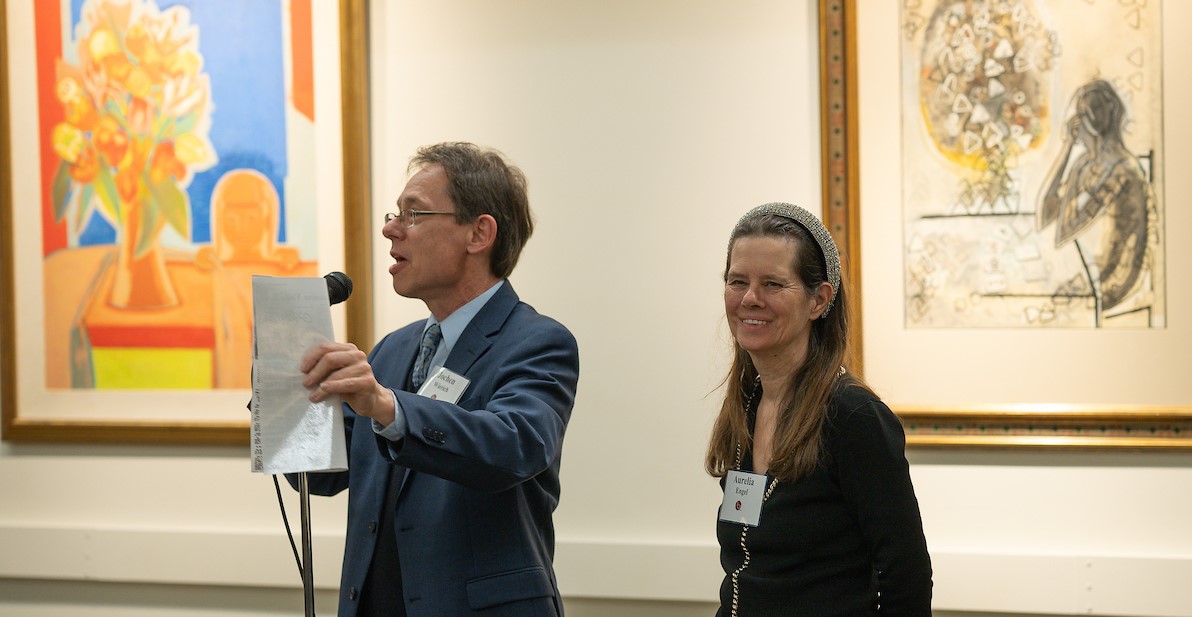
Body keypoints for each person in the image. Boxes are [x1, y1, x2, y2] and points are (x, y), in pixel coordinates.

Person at [296, 142, 580, 617]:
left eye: (413, 214)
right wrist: (281, 381)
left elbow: (515, 446)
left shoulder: (537, 342)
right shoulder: (392, 349)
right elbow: (324, 474)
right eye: (394, 214)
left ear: (478, 233)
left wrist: (388, 408)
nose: (390, 229)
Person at [706, 203, 932, 616]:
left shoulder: (853, 417)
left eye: (772, 284)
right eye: (738, 281)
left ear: (819, 300)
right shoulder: (747, 405)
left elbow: (907, 580)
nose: (750, 299)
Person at [1037, 79, 1157, 324]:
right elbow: (1044, 214)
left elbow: (1065, 231)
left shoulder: (1122, 171)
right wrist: (1067, 148)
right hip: (1086, 270)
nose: (1074, 124)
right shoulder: (1085, 164)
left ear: (1089, 122)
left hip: (1111, 285)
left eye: (1080, 116)